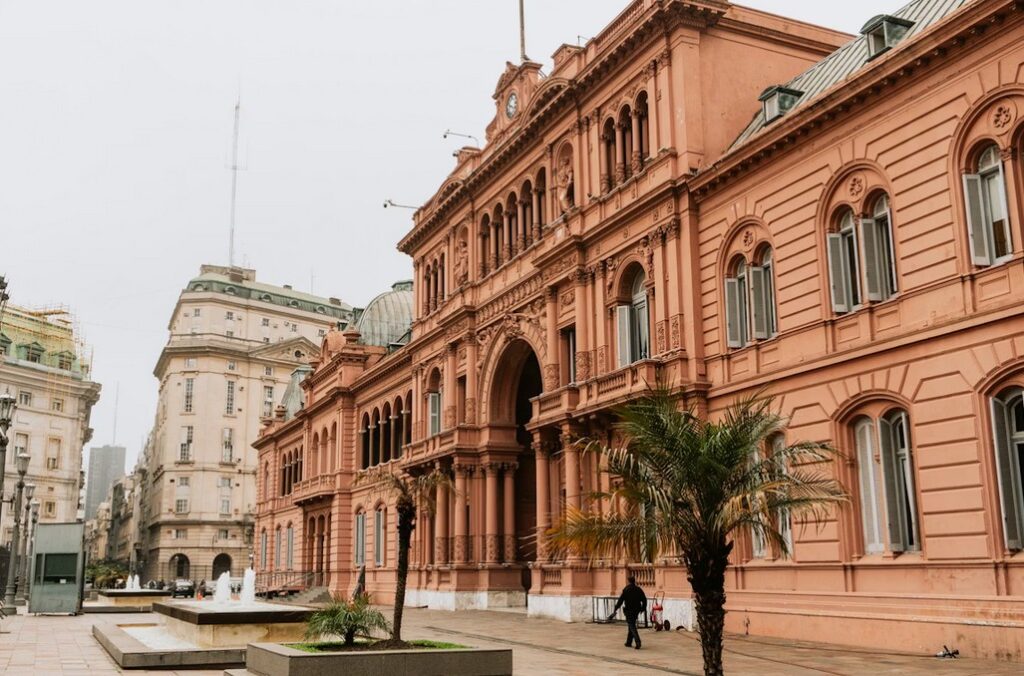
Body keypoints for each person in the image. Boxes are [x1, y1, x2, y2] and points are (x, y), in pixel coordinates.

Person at [610, 575, 647, 649]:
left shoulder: (626, 589)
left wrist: (616, 608)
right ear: (634, 581)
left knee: (632, 625)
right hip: (636, 610)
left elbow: (620, 600)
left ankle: (638, 641)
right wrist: (643, 608)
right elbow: (644, 599)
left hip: (629, 610)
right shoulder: (638, 589)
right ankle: (628, 642)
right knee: (631, 625)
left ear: (629, 581)